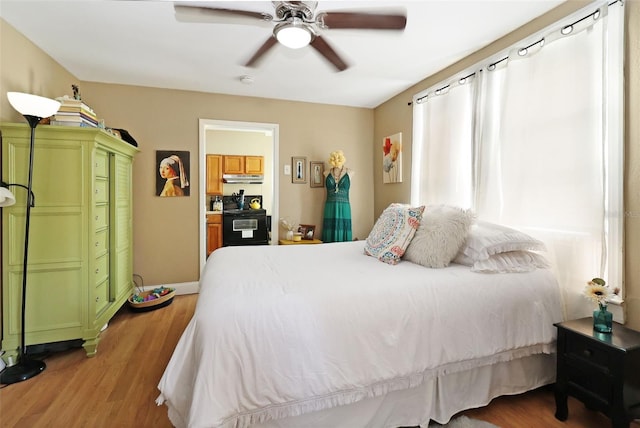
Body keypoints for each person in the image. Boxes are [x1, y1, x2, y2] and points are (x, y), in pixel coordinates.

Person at [321, 150, 353, 242]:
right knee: (330, 230)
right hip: (330, 207)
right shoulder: (327, 172)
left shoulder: (350, 172)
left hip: (344, 207)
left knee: (344, 228)